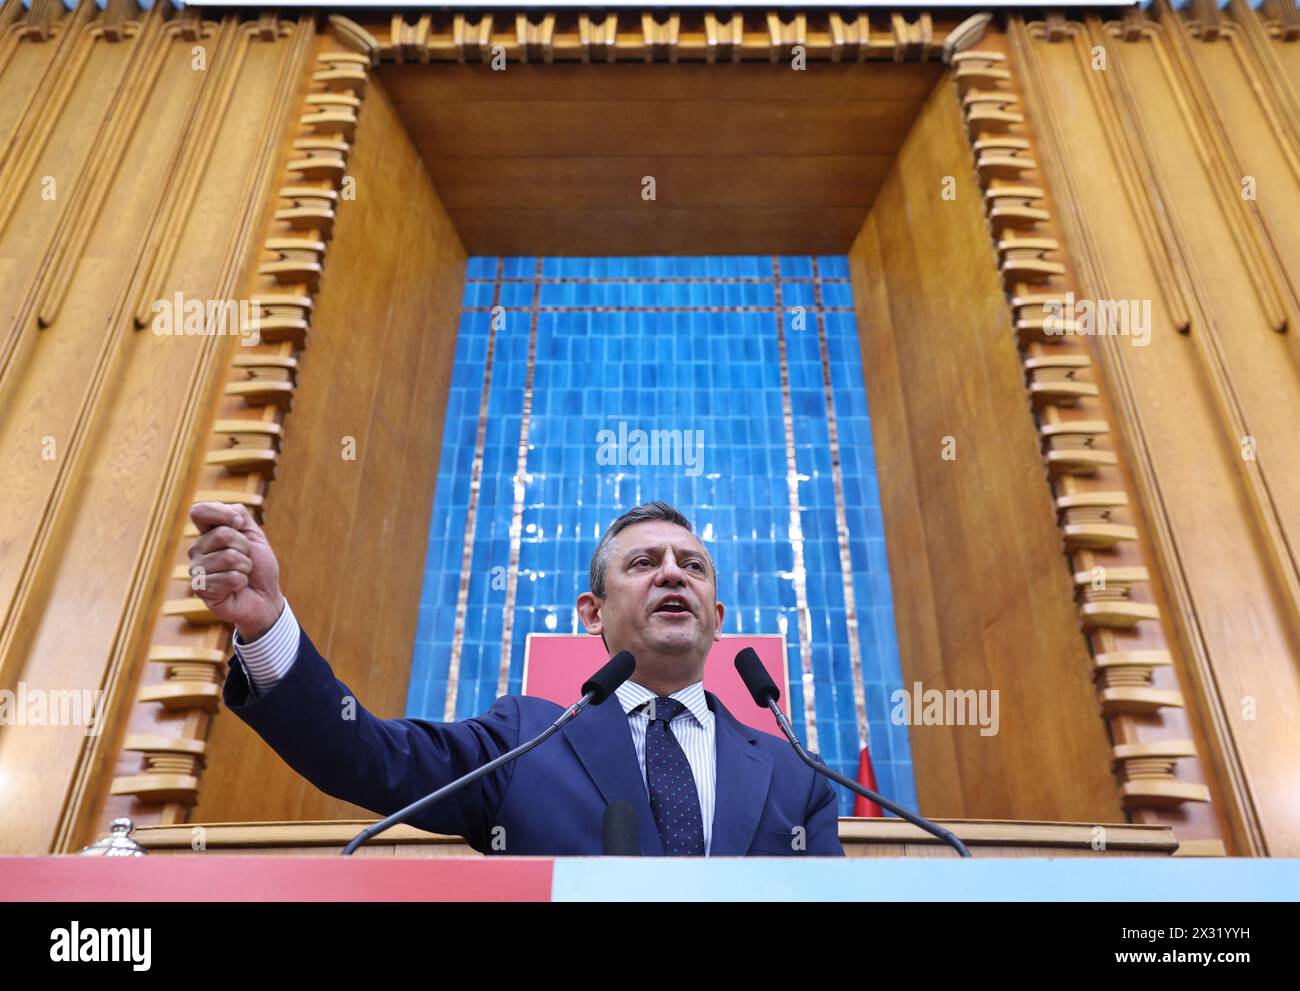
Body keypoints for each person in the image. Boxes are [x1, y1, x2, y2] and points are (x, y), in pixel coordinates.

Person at [187, 498, 845, 856]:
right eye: (644, 562)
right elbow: (369, 757)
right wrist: (268, 624)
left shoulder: (800, 778)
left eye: (692, 566)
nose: (673, 573)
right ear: (592, 612)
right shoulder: (526, 738)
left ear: (718, 616)